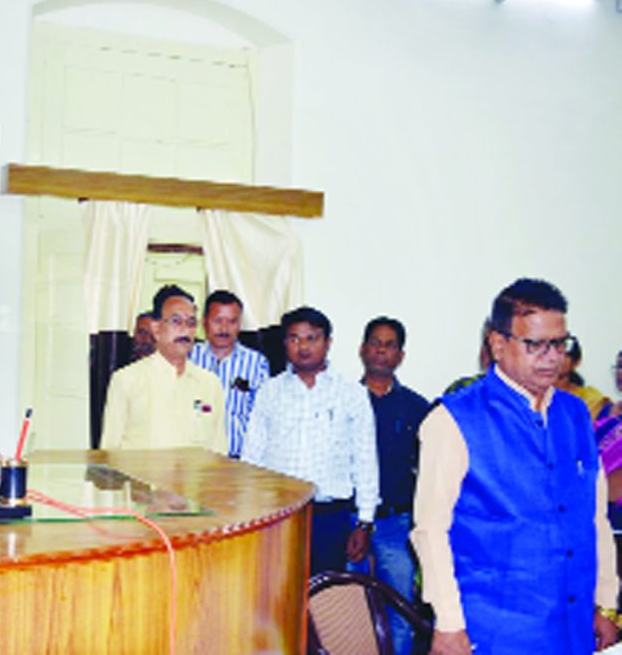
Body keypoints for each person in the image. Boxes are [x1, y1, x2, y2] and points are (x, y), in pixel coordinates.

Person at [411, 278, 618, 655]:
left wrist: (606, 603)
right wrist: (449, 623)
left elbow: (595, 517)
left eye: (560, 343)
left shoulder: (576, 414)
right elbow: (431, 530)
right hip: (496, 629)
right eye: (536, 344)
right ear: (497, 343)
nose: (552, 357)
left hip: (573, 625)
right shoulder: (454, 420)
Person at [242, 306, 378, 575]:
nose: (302, 346)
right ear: (284, 344)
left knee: (324, 593)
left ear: (328, 342)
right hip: (278, 515)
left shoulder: (351, 393)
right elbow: (251, 457)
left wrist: (364, 522)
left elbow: (364, 458)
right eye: (294, 338)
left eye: (311, 338)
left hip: (330, 517)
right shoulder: (269, 392)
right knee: (276, 590)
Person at [353, 316, 431, 655]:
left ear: (400, 355)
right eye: (375, 343)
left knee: (400, 613)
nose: (381, 351)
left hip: (396, 524)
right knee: (346, 614)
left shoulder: (417, 407)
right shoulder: (344, 400)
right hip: (349, 522)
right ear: (362, 349)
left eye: (389, 345)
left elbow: (427, 469)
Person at [101, 285, 227, 454]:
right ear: (156, 329)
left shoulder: (210, 384)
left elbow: (219, 452)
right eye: (176, 321)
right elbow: (109, 451)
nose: (185, 330)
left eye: (191, 323)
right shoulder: (127, 380)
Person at [188, 290, 271, 458]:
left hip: (239, 459)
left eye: (232, 321)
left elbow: (264, 416)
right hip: (194, 457)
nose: (224, 329)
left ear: (239, 324)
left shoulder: (256, 363)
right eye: (217, 320)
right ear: (204, 322)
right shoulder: (189, 357)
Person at [556, 338, 612, 421]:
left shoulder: (589, 399)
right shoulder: (537, 394)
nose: (555, 359)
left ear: (576, 362)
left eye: (564, 355)